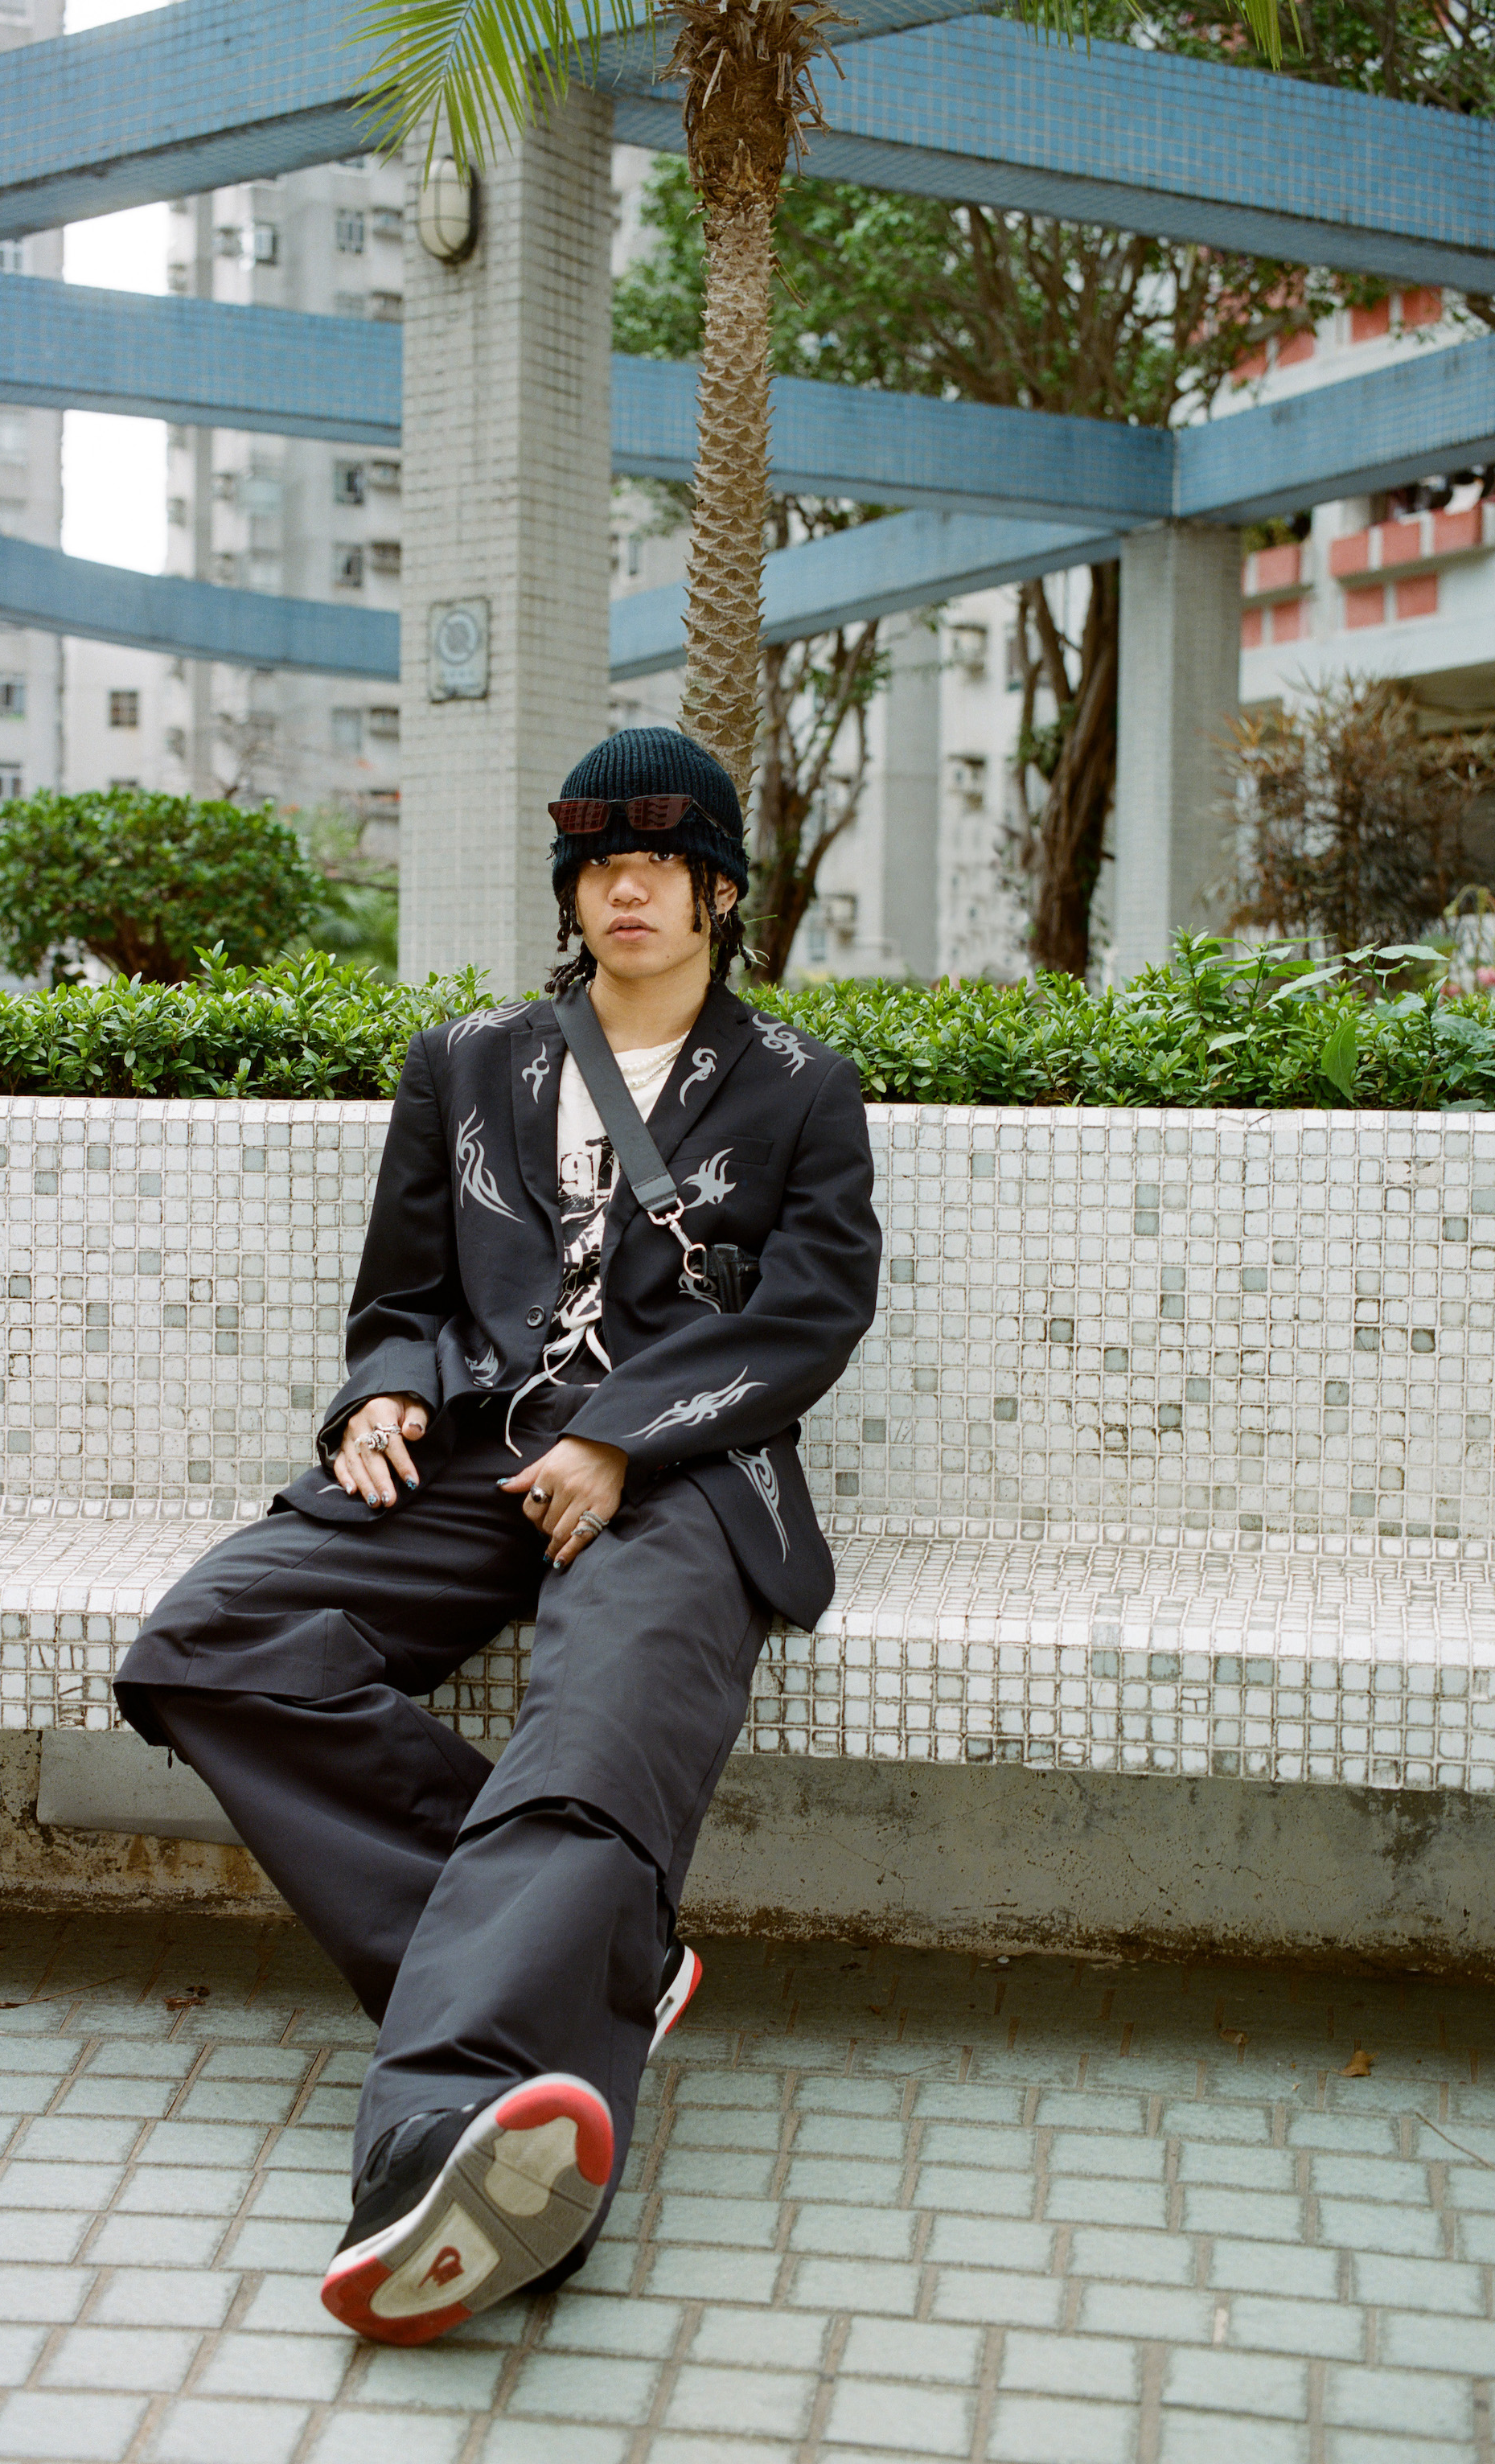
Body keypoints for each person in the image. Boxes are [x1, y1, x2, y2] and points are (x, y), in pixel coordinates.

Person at [114, 727, 881, 2344]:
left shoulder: (802, 1086)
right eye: (598, 861)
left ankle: (429, 2133)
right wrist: (378, 1398)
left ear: (719, 889)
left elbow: (808, 1316)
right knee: (206, 1641)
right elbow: (400, 1299)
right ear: (569, 887)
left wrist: (620, 1432)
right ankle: (587, 1950)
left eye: (659, 860)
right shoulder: (463, 1060)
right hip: (474, 1453)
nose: (625, 885)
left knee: (591, 1732)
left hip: (684, 1469)